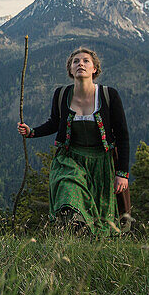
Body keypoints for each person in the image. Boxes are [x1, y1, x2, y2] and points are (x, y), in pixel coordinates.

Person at [17, 46, 130, 235]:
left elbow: (122, 134)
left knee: (100, 214)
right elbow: (54, 123)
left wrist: (122, 173)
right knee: (69, 194)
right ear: (70, 70)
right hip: (70, 159)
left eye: (86, 61)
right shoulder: (61, 95)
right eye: (75, 61)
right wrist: (32, 132)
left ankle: (90, 246)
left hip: (102, 162)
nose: (81, 64)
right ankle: (75, 234)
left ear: (95, 69)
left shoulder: (109, 95)